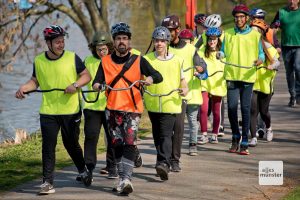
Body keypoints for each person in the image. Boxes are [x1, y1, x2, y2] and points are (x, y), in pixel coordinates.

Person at [15, 25, 92, 194]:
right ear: (48, 43)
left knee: (71, 144)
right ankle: (47, 182)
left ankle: (83, 170)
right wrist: (24, 88)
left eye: (62, 41)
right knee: (48, 146)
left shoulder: (73, 58)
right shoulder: (39, 61)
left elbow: (86, 76)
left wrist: (75, 85)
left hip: (70, 110)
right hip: (48, 111)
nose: (61, 44)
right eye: (57, 42)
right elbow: (35, 81)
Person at [92, 22, 162, 195]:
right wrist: (98, 86)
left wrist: (150, 80)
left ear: (129, 42)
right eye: (118, 39)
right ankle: (122, 178)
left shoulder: (138, 60)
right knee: (116, 144)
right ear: (113, 42)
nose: (121, 41)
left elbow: (157, 76)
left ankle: (125, 178)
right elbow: (96, 81)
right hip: (112, 108)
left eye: (124, 38)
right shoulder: (105, 62)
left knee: (129, 141)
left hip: (132, 108)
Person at [217, 4, 265, 155]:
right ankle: (235, 136)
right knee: (231, 108)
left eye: (241, 17)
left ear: (247, 18)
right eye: (236, 17)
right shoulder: (228, 34)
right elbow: (223, 51)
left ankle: (245, 140)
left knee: (245, 109)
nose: (238, 19)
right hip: (231, 75)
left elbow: (262, 54)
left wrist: (260, 60)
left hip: (247, 77)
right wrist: (220, 54)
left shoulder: (255, 35)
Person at [144, 26, 188, 180]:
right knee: (157, 135)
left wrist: (185, 89)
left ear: (168, 42)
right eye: (156, 40)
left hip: (171, 102)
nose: (159, 44)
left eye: (162, 41)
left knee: (166, 134)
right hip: (153, 102)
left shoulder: (177, 60)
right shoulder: (147, 59)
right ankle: (163, 163)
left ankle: (163, 163)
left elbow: (183, 81)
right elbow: (142, 78)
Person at [162, 15, 207, 160]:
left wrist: (200, 68)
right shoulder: (162, 47)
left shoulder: (190, 49)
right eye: (165, 30)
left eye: (171, 30)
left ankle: (175, 158)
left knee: (180, 127)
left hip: (183, 94)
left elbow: (203, 65)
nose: (168, 34)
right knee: (166, 130)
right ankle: (165, 157)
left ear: (178, 30)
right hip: (166, 94)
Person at [79, 31, 118, 180]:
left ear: (109, 47)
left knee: (112, 137)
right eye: (98, 49)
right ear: (93, 49)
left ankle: (112, 166)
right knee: (91, 137)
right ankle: (89, 167)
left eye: (104, 49)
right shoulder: (87, 61)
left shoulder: (115, 60)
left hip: (110, 105)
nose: (101, 52)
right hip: (92, 106)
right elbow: (78, 76)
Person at [249, 19, 280, 146]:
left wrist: (272, 66)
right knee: (253, 110)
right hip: (252, 82)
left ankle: (268, 128)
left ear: (261, 32)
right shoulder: (248, 46)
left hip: (266, 84)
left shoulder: (267, 46)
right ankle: (253, 137)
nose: (253, 32)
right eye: (252, 30)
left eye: (256, 30)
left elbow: (277, 62)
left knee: (264, 111)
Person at [198, 27, 227, 145]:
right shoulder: (201, 52)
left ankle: (214, 134)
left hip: (218, 84)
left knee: (216, 111)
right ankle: (204, 134)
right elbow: (194, 60)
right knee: (203, 109)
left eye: (214, 39)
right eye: (210, 39)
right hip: (204, 83)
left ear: (218, 39)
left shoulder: (223, 53)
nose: (212, 42)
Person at [271, 0, 300, 107]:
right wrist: (275, 28)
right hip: (286, 46)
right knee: (289, 72)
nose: (292, 1)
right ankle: (292, 96)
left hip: (299, 46)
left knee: (298, 68)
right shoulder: (281, 12)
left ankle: (298, 94)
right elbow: (273, 28)